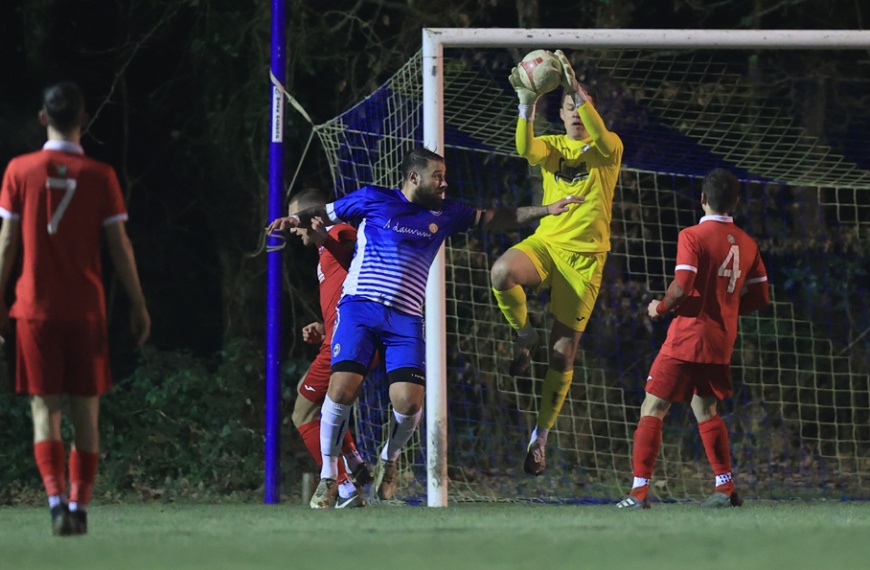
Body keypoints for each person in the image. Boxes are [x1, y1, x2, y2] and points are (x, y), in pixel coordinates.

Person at [267, 147, 583, 509]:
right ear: (414, 177)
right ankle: (329, 479)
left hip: (404, 319)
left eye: (444, 175)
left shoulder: (446, 213)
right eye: (438, 175)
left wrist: (545, 210)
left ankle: (390, 458)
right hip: (360, 311)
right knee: (339, 392)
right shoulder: (373, 199)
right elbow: (323, 212)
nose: (444, 182)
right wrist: (295, 221)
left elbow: (497, 216)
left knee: (409, 404)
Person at [0, 82, 151, 535]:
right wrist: (139, 303)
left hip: (34, 310)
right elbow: (120, 246)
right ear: (82, 118)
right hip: (86, 311)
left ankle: (54, 501)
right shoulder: (100, 175)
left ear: (43, 118)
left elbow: (6, 242)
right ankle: (80, 508)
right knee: (87, 412)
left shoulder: (19, 170)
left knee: (45, 410)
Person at [491, 50, 624, 476]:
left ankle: (540, 438)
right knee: (501, 272)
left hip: (584, 263)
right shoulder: (554, 148)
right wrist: (526, 102)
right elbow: (525, 147)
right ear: (561, 115)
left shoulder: (609, 149)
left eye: (580, 108)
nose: (575, 115)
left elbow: (602, 135)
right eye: (568, 108)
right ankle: (524, 333)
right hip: (547, 244)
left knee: (562, 356)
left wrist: (576, 89)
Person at [616, 168, 769, 509]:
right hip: (721, 342)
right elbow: (761, 297)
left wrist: (660, 307)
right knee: (705, 408)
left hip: (688, 337)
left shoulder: (692, 236)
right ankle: (725, 486)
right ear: (736, 202)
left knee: (653, 406)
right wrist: (727, 311)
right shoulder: (747, 243)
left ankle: (638, 492)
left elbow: (682, 286)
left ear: (702, 199)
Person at [283, 188, 373, 509]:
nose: (294, 229)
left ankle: (345, 486)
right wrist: (323, 327)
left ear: (313, 217)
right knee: (323, 406)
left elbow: (358, 251)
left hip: (350, 340)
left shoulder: (338, 231)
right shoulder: (325, 250)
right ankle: (352, 463)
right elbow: (348, 286)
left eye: (296, 221)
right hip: (341, 336)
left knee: (302, 412)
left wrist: (327, 239)